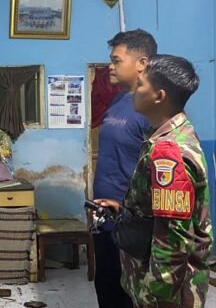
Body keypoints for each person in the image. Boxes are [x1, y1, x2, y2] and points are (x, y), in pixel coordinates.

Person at [96, 54, 213, 308]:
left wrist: (157, 295)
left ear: (159, 96)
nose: (133, 91)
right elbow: (163, 212)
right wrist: (127, 212)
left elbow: (172, 239)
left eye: (140, 85)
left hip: (163, 293)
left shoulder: (169, 152)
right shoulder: (164, 135)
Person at [92, 29, 157, 308]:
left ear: (141, 63)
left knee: (131, 293)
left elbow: (160, 173)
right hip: (104, 218)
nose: (110, 66)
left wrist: (133, 211)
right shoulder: (118, 101)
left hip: (133, 222)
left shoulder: (153, 108)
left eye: (116, 60)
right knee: (107, 285)